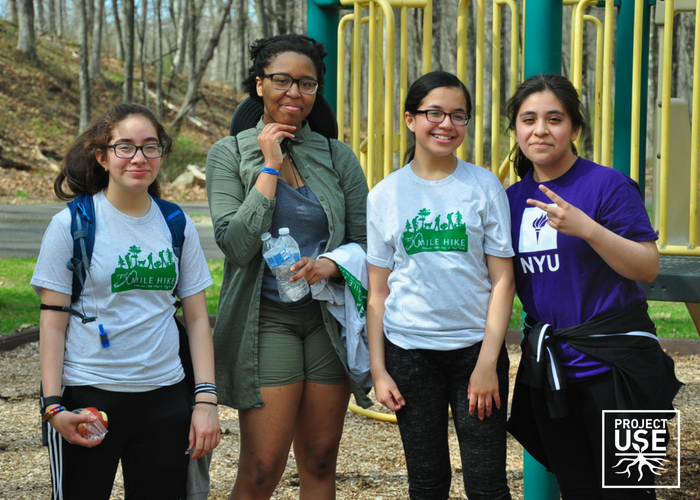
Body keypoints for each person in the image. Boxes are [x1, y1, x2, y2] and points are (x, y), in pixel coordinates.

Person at [205, 34, 371, 500]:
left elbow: (364, 243)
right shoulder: (230, 153)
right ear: (259, 85)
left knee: (319, 460)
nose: (294, 93)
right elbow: (235, 246)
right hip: (266, 320)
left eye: (307, 84)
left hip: (326, 319)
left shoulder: (337, 157)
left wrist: (330, 265)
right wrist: (270, 167)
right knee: (261, 468)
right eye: (282, 80)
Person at [505, 73, 682, 499]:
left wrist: (589, 229)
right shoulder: (509, 199)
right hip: (553, 370)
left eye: (555, 118)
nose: (540, 130)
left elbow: (647, 267)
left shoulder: (609, 185)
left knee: (633, 492)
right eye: (528, 119)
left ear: (575, 129)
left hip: (623, 367)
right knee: (577, 488)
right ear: (515, 129)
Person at [31, 103, 221, 499]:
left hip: (166, 398)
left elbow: (198, 318)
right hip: (88, 397)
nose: (139, 158)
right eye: (125, 147)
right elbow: (52, 320)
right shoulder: (72, 223)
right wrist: (53, 408)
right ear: (102, 156)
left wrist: (205, 399)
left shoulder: (175, 223)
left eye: (150, 147)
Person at [366, 71, 514, 500]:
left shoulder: (484, 186)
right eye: (434, 113)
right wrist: (379, 370)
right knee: (427, 484)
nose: (446, 124)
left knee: (487, 485)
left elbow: (503, 280)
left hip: (475, 352)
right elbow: (378, 292)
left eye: (458, 115)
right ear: (411, 119)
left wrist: (487, 364)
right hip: (409, 354)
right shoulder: (386, 194)